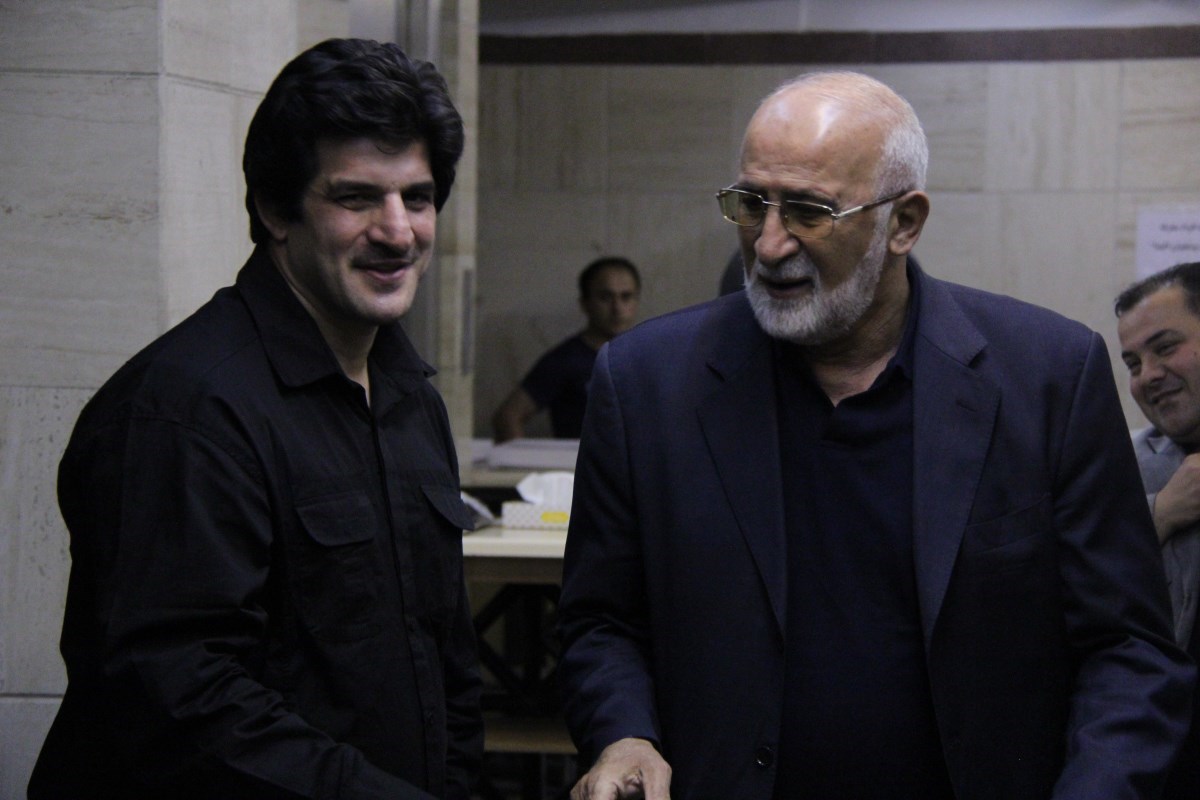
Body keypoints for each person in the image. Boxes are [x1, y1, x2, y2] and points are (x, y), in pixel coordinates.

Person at [557, 71, 1193, 800]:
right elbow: (599, 621)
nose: (769, 244)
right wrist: (624, 733)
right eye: (751, 204)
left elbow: (1129, 648)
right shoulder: (646, 384)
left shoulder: (1047, 377)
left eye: (809, 211)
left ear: (904, 223)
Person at [28, 38, 482, 799]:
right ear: (275, 209)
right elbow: (179, 702)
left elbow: (444, 660)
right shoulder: (185, 410)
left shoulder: (409, 395)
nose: (398, 231)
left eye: (417, 197)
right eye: (356, 198)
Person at [1115, 261, 1200, 800]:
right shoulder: (1120, 466)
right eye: (1133, 362)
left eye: (1165, 348)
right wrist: (1162, 513)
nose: (1147, 375)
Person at [491, 256, 640, 442]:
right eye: (605, 297)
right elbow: (508, 417)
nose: (617, 308)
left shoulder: (649, 356)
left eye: (626, 297)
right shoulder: (565, 360)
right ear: (585, 303)